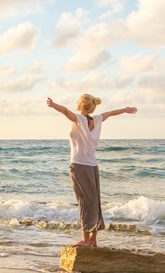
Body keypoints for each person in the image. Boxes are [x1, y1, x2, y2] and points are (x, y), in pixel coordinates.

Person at [46, 94, 137, 247]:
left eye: (78, 101)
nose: (76, 102)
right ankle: (93, 239)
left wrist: (54, 105)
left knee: (84, 201)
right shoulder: (97, 119)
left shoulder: (79, 119)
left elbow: (65, 111)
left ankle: (85, 239)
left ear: (82, 105)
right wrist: (126, 110)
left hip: (79, 166)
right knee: (94, 202)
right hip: (93, 166)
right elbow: (111, 113)